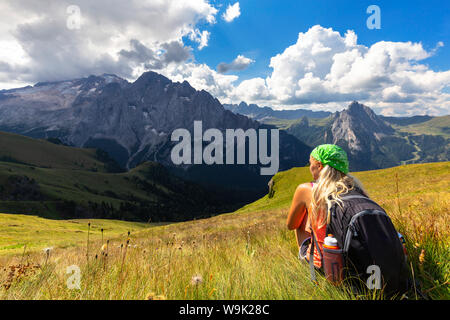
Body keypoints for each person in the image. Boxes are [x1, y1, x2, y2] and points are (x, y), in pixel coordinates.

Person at [286, 144, 368, 269]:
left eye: (310, 164)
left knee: (302, 220)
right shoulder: (358, 190)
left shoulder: (307, 190)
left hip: (328, 267)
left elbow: (291, 225)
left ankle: (307, 262)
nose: (310, 167)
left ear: (319, 166)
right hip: (360, 264)